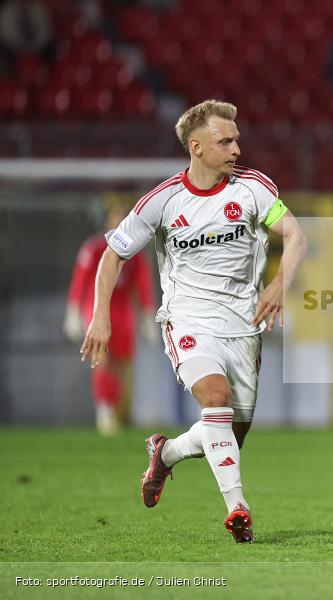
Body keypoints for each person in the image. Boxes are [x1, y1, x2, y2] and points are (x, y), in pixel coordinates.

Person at [80, 99, 307, 543]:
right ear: (197, 147)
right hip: (188, 320)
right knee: (216, 398)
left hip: (244, 325)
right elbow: (113, 255)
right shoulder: (162, 202)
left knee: (228, 437)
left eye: (237, 139)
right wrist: (100, 315)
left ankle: (165, 452)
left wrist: (280, 283)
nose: (237, 148)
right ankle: (238, 510)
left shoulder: (255, 189)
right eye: (226, 141)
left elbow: (296, 234)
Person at [64, 198, 157, 435]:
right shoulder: (93, 248)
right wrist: (73, 312)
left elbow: (143, 285)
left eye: (123, 217)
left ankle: (121, 412)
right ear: (108, 220)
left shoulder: (136, 254)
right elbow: (80, 280)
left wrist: (147, 316)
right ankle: (104, 410)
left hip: (124, 313)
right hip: (96, 309)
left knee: (124, 366)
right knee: (102, 361)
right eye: (115, 216)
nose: (119, 222)